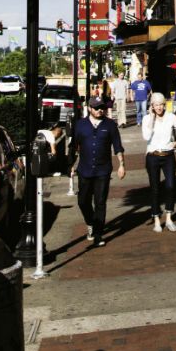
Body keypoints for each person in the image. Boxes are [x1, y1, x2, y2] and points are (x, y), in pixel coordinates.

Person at [69, 96, 125, 247]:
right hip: (85, 169)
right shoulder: (80, 125)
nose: (100, 110)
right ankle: (91, 222)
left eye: (102, 107)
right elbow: (73, 147)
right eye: (96, 108)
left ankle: (98, 234)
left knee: (100, 202)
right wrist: (70, 165)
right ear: (89, 108)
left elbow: (117, 146)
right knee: (82, 201)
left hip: (103, 170)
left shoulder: (110, 125)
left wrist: (121, 164)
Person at [142, 93, 176, 232]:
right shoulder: (147, 118)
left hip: (168, 155)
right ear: (151, 106)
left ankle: (169, 217)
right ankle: (157, 220)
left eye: (161, 104)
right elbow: (146, 136)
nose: (159, 107)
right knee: (155, 188)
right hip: (153, 156)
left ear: (164, 104)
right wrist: (152, 119)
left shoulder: (171, 117)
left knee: (170, 185)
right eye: (156, 105)